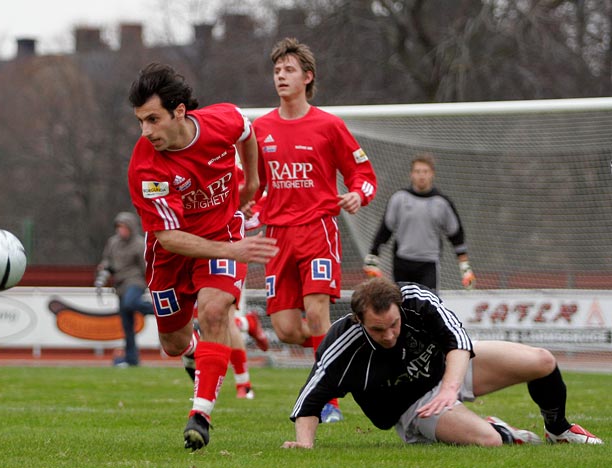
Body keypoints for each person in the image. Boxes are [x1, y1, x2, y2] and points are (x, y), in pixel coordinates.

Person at [126, 63, 278, 451]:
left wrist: (255, 179)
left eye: (153, 119)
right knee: (173, 344)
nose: (146, 131)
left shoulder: (221, 120)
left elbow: (247, 130)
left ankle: (201, 415)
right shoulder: (146, 165)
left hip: (224, 233)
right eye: (141, 121)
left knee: (214, 313)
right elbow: (169, 237)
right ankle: (194, 352)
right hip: (172, 255)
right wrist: (233, 250)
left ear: (180, 111)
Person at [283, 277, 603, 448]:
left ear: (399, 306)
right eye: (378, 329)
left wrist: (450, 387)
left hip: (449, 368)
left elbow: (458, 340)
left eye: (393, 324)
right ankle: (497, 429)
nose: (390, 335)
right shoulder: (342, 344)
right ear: (358, 320)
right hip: (415, 405)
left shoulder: (416, 300)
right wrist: (304, 445)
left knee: (542, 360)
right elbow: (309, 400)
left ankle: (559, 430)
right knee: (489, 442)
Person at [251, 37, 377, 423]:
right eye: (276, 70)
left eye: (289, 70)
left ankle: (329, 402)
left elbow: (363, 174)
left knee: (317, 314)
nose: (281, 76)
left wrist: (357, 194)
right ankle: (349, 350)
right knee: (288, 329)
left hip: (317, 230)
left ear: (307, 77)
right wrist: (251, 213)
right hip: (276, 236)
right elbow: (252, 186)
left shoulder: (329, 125)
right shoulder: (260, 128)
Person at [363, 152, 475, 291]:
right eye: (417, 171)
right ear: (411, 174)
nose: (421, 175)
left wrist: (465, 268)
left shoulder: (442, 203)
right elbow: (386, 229)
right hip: (402, 262)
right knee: (403, 308)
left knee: (428, 308)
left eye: (425, 171)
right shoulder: (399, 198)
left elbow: (456, 236)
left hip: (429, 264)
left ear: (432, 173)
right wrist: (373, 257)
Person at [94, 211, 154, 367]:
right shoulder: (112, 242)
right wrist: (104, 271)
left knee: (130, 303)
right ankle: (132, 359)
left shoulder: (140, 244)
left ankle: (157, 310)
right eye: (119, 227)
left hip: (135, 281)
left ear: (132, 227)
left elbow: (145, 267)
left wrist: (150, 284)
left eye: (124, 227)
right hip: (119, 284)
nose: (121, 230)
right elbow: (108, 261)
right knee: (127, 325)